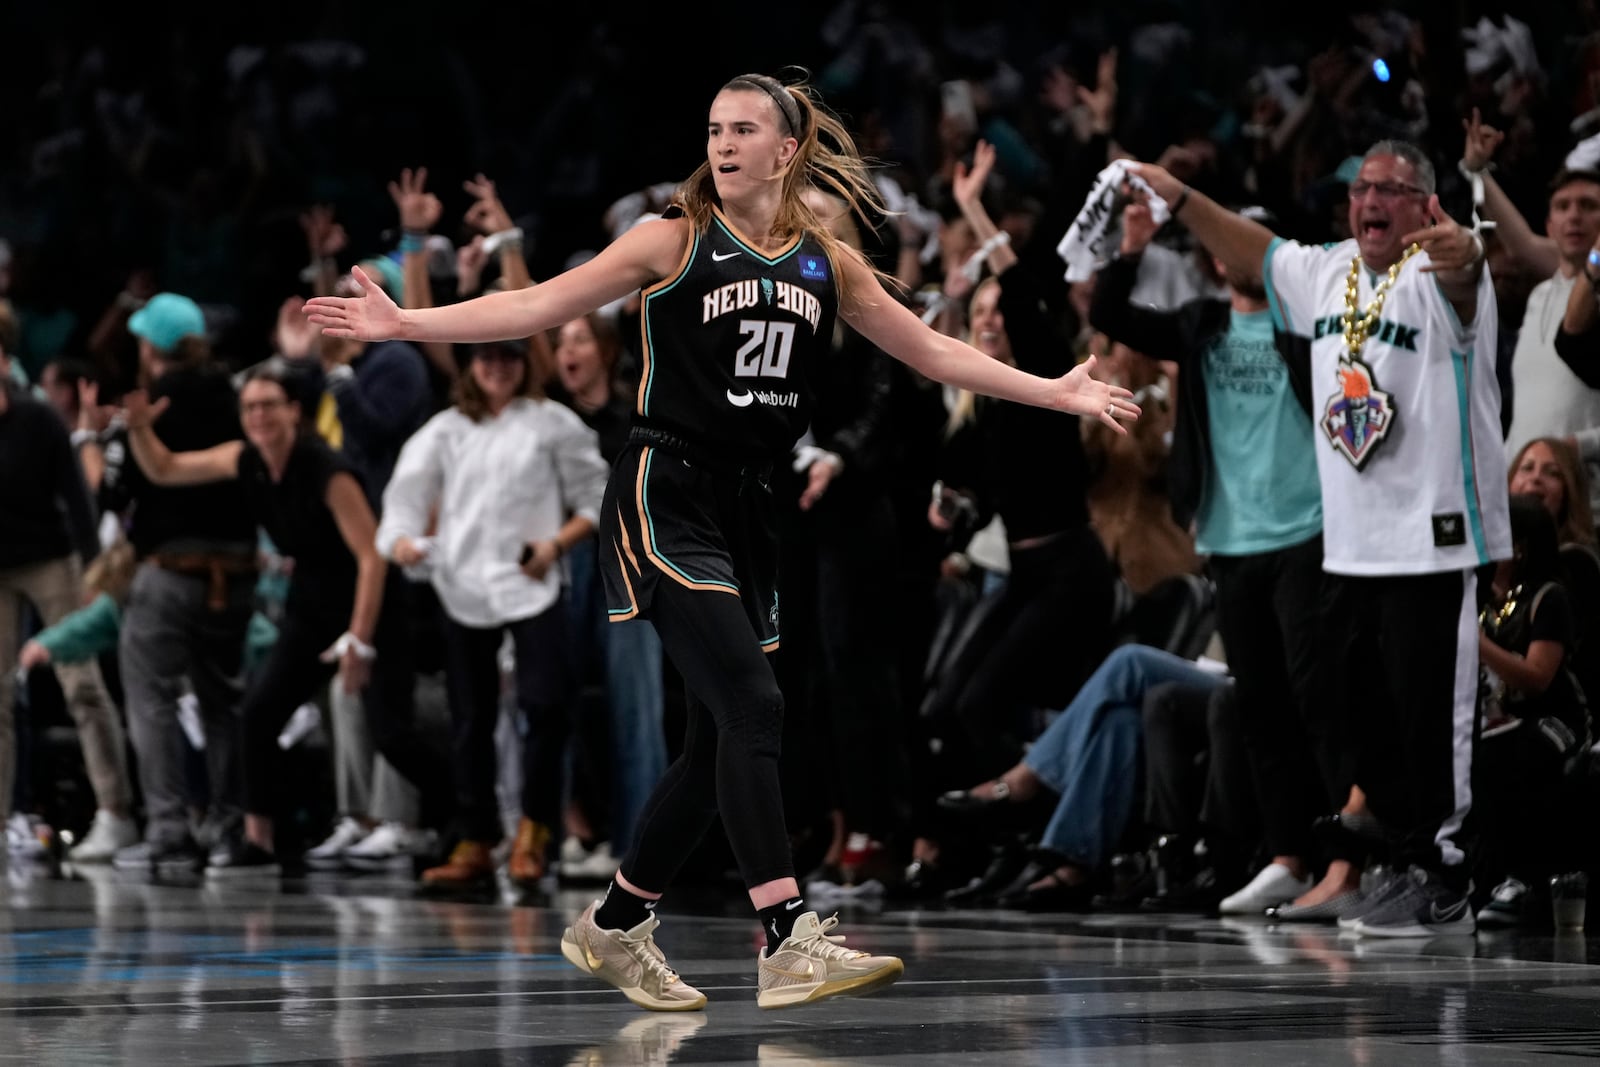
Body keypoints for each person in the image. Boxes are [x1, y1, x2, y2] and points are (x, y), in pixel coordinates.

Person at [306, 70, 1137, 1011]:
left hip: (751, 504)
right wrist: (405, 321)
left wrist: (1057, 390)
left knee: (716, 747)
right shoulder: (673, 237)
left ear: (788, 151)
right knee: (754, 701)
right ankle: (788, 935)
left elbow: (932, 350)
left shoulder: (828, 260)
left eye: (745, 129)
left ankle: (616, 925)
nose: (724, 143)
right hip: (666, 484)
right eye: (713, 128)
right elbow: (541, 303)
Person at [1129, 140, 1511, 938]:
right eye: (1360, 188)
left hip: (1433, 538)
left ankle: (1445, 872)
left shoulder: (1439, 269)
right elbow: (1256, 251)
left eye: (1391, 189)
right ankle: (1398, 862)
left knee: (1430, 718)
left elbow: (1469, 272)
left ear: (1424, 203)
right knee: (1357, 716)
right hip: (1350, 544)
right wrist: (1182, 199)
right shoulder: (1328, 271)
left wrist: (1467, 249)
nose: (1370, 200)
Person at [119, 363, 404, 878]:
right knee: (258, 711)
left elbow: (371, 556)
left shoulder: (326, 469)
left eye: (270, 404)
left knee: (392, 734)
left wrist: (359, 641)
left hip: (372, 603)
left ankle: (468, 828)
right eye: (250, 406)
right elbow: (164, 469)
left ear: (294, 412)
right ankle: (258, 841)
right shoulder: (246, 460)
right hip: (311, 603)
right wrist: (138, 426)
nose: (259, 415)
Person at [377, 338, 609, 893]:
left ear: (524, 364)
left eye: (508, 358)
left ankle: (535, 831)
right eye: (486, 359)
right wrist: (404, 543)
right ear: (471, 367)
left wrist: (554, 545)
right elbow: (403, 501)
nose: (497, 369)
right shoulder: (447, 430)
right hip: (465, 586)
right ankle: (475, 836)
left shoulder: (552, 423)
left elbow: (597, 495)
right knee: (470, 719)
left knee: (546, 707)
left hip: (532, 580)